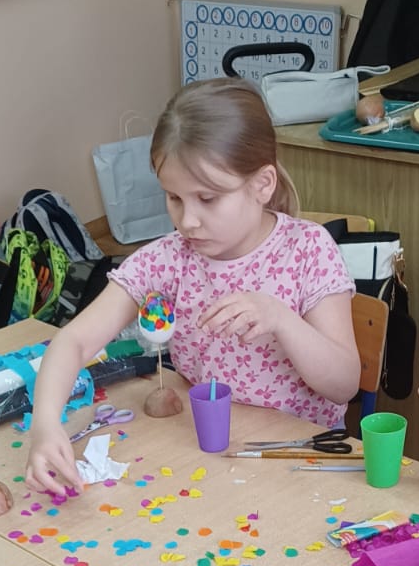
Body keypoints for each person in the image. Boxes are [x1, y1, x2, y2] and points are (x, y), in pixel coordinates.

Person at [26, 78, 360, 495]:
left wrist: (281, 318)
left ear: (262, 184)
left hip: (299, 463)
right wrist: (45, 425)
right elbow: (73, 342)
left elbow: (344, 383)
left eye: (208, 199)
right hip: (206, 459)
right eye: (174, 198)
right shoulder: (168, 258)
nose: (187, 221)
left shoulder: (308, 250)